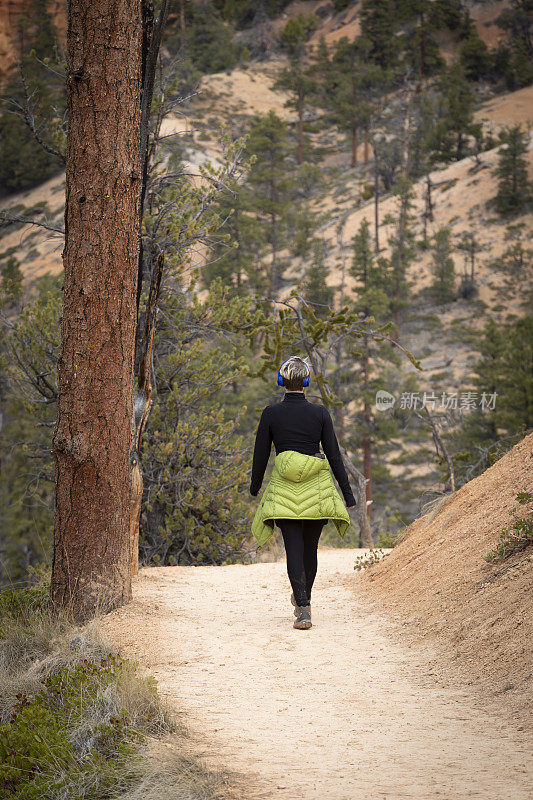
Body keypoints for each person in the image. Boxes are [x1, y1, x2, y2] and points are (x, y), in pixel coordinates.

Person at [249, 355, 356, 630]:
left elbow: (261, 454)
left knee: (293, 549)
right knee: (311, 549)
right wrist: (347, 494)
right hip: (317, 491)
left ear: (281, 381)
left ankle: (303, 606)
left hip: (284, 490)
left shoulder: (271, 413)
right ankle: (304, 601)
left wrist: (255, 485)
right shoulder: (320, 413)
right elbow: (334, 454)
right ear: (306, 382)